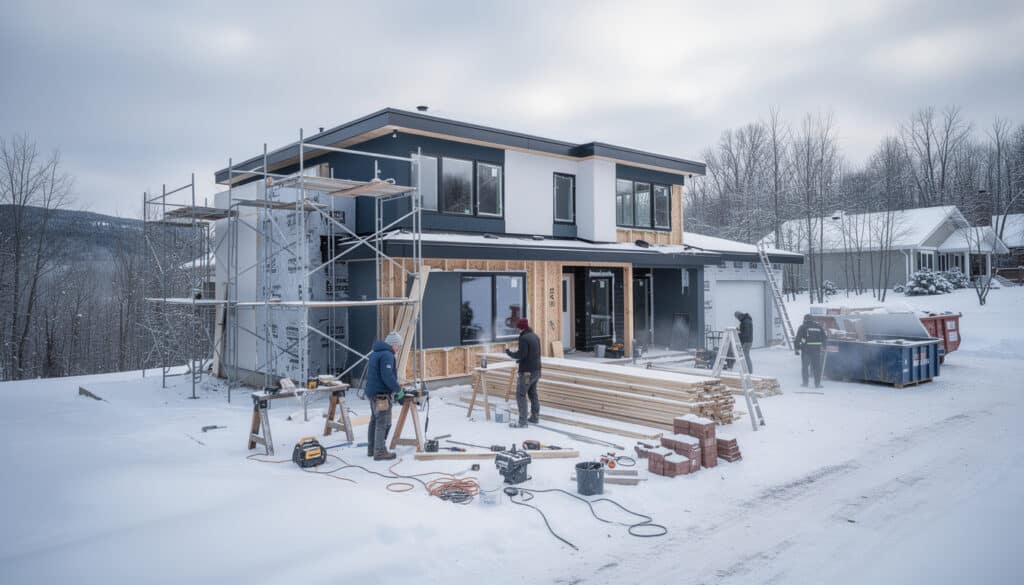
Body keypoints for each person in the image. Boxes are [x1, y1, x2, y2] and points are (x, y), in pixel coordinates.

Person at [365, 331, 403, 460]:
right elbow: (387, 376)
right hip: (380, 395)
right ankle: (380, 451)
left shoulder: (376, 353)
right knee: (383, 422)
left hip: (372, 392)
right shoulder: (387, 355)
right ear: (393, 345)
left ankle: (372, 448)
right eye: (398, 345)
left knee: (374, 420)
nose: (398, 348)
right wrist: (399, 391)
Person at [505, 318, 541, 428]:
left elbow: (522, 354)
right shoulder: (535, 336)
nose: (517, 330)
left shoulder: (524, 338)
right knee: (533, 394)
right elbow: (533, 354)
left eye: (518, 328)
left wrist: (509, 353)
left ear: (521, 328)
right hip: (536, 371)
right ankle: (534, 418)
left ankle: (523, 421)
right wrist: (521, 360)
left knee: (521, 395)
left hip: (526, 373)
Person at [794, 314, 826, 388]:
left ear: (805, 320)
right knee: (817, 367)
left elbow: (798, 338)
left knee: (805, 367)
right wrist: (824, 346)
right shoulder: (818, 326)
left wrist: (796, 349)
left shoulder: (802, 327)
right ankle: (817, 384)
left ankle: (805, 383)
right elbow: (824, 337)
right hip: (817, 350)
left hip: (806, 350)